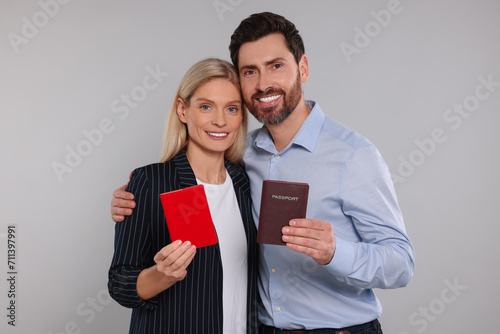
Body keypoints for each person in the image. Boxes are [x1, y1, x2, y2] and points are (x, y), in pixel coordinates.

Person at [111, 12, 415, 334]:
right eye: (250, 71)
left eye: (276, 66)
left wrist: (335, 251)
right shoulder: (244, 160)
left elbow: (400, 264)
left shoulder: (353, 156)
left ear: (303, 68)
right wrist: (138, 194)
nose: (263, 84)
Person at [108, 58, 259, 334]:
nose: (220, 121)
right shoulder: (151, 182)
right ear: (182, 110)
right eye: (205, 107)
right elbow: (119, 283)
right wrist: (160, 276)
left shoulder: (245, 183)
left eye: (232, 109)